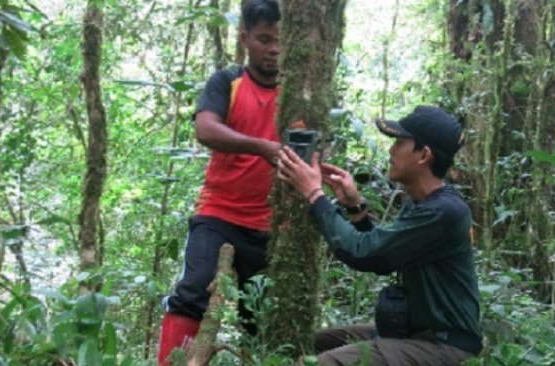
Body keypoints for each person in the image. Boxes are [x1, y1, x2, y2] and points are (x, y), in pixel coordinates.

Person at [277, 105, 483, 365]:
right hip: (414, 334)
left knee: (324, 364)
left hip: (444, 345)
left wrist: (314, 195)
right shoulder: (421, 202)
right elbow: (386, 254)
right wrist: (355, 206)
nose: (391, 150)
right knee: (313, 342)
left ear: (424, 155)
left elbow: (363, 253)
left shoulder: (444, 211)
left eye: (399, 143)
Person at [157, 1, 281, 364]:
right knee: (192, 292)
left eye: (280, 41)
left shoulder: (298, 91)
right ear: (245, 39)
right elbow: (205, 128)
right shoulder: (227, 82)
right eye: (264, 39)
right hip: (218, 214)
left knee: (258, 316)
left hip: (269, 226)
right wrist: (259, 146)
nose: (274, 49)